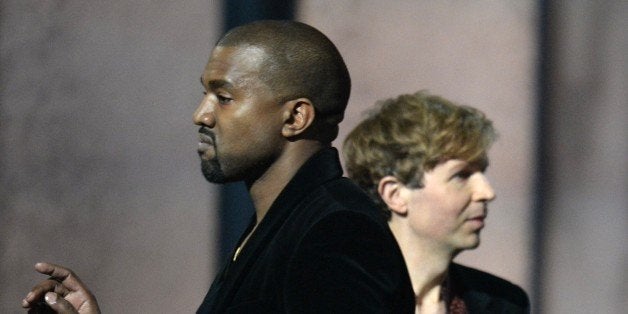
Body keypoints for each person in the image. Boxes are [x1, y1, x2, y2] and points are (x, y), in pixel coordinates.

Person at [22, 20, 415, 313]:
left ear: (296, 117)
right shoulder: (282, 221)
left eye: (224, 97)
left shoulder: (338, 230)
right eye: (204, 93)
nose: (201, 115)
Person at [343, 91, 530, 313]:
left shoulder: (504, 303)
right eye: (461, 175)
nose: (487, 192)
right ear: (396, 195)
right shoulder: (335, 297)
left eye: (482, 172)